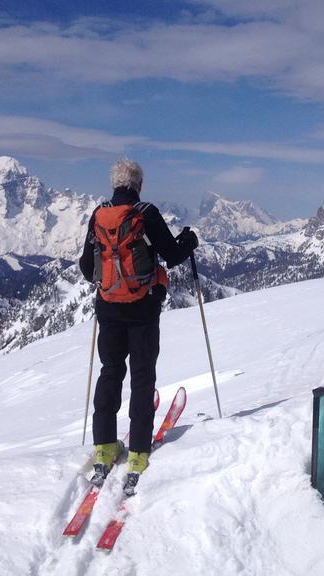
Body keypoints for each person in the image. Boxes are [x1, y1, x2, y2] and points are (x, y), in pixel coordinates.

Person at [79, 158, 198, 496]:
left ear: (114, 184)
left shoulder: (99, 215)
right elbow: (172, 255)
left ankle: (104, 446)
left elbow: (87, 268)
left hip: (108, 308)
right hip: (143, 308)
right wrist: (189, 241)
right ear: (139, 185)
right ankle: (138, 452)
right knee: (142, 375)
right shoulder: (145, 212)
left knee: (110, 371)